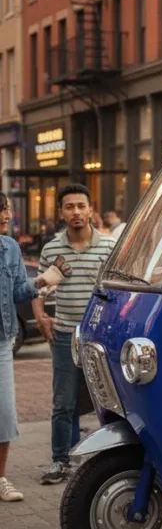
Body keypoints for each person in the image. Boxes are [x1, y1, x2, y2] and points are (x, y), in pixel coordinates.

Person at [36, 185, 116, 485]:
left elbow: (115, 291)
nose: (76, 212)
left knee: (108, 401)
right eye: (69, 207)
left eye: (81, 206)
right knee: (63, 402)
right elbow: (41, 289)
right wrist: (40, 315)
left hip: (98, 337)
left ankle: (104, 460)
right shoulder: (51, 249)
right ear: (61, 213)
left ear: (90, 209)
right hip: (64, 334)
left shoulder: (108, 246)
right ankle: (61, 461)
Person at [0, 193, 47, 501]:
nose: (6, 218)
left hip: (3, 340)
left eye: (6, 214)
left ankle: (1, 478)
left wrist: (41, 282)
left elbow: (18, 290)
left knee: (4, 413)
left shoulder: (10, 248)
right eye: (1, 214)